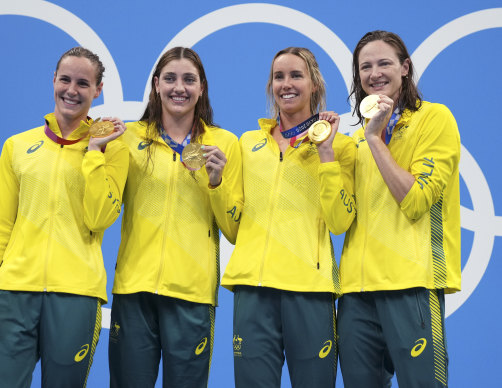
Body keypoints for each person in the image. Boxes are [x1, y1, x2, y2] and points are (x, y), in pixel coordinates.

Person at [0, 46, 129, 388]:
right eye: (65, 80)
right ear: (53, 81)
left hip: (76, 296)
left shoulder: (114, 147)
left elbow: (99, 217)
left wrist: (94, 152)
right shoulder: (16, 146)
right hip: (13, 295)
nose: (72, 90)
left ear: (98, 90)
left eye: (83, 83)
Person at [108, 47, 243, 388]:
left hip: (192, 296)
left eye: (188, 80)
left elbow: (235, 229)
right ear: (156, 84)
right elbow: (102, 209)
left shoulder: (224, 144)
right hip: (134, 290)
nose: (178, 87)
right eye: (169, 78)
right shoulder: (127, 137)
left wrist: (217, 182)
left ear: (201, 88)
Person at [221, 47, 356, 387]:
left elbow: (340, 221)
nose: (286, 84)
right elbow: (233, 228)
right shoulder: (248, 143)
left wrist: (325, 154)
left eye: (296, 75)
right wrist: (214, 186)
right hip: (253, 290)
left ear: (315, 84)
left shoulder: (341, 146)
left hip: (309, 292)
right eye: (278, 76)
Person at [337, 30, 461, 388]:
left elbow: (417, 200)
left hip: (413, 286)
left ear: (405, 67)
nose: (374, 73)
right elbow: (342, 217)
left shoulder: (435, 119)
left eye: (384, 63)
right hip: (356, 293)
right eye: (365, 67)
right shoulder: (356, 140)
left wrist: (375, 140)